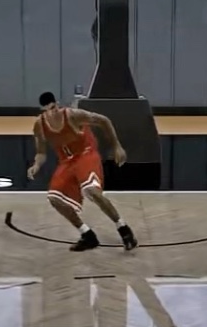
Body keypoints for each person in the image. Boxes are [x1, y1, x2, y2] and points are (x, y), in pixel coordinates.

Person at [27, 92, 137, 252]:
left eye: (54, 107)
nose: (53, 112)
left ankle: (123, 229)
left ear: (57, 104)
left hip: (86, 154)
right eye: (49, 110)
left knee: (92, 191)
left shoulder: (73, 115)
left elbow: (104, 120)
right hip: (67, 162)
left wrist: (116, 146)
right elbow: (41, 152)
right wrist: (36, 165)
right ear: (43, 111)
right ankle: (87, 235)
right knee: (54, 198)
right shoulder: (40, 125)